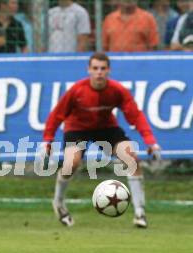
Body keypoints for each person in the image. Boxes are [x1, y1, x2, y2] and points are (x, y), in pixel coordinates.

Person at [43, 52, 161, 229]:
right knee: (71, 163)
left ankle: (140, 213)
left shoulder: (118, 90)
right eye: (95, 68)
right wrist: (48, 140)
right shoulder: (77, 90)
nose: (99, 72)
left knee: (132, 158)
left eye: (103, 69)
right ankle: (58, 203)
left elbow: (135, 116)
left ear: (109, 70)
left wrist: (151, 141)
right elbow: (56, 115)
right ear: (88, 70)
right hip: (77, 129)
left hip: (106, 128)